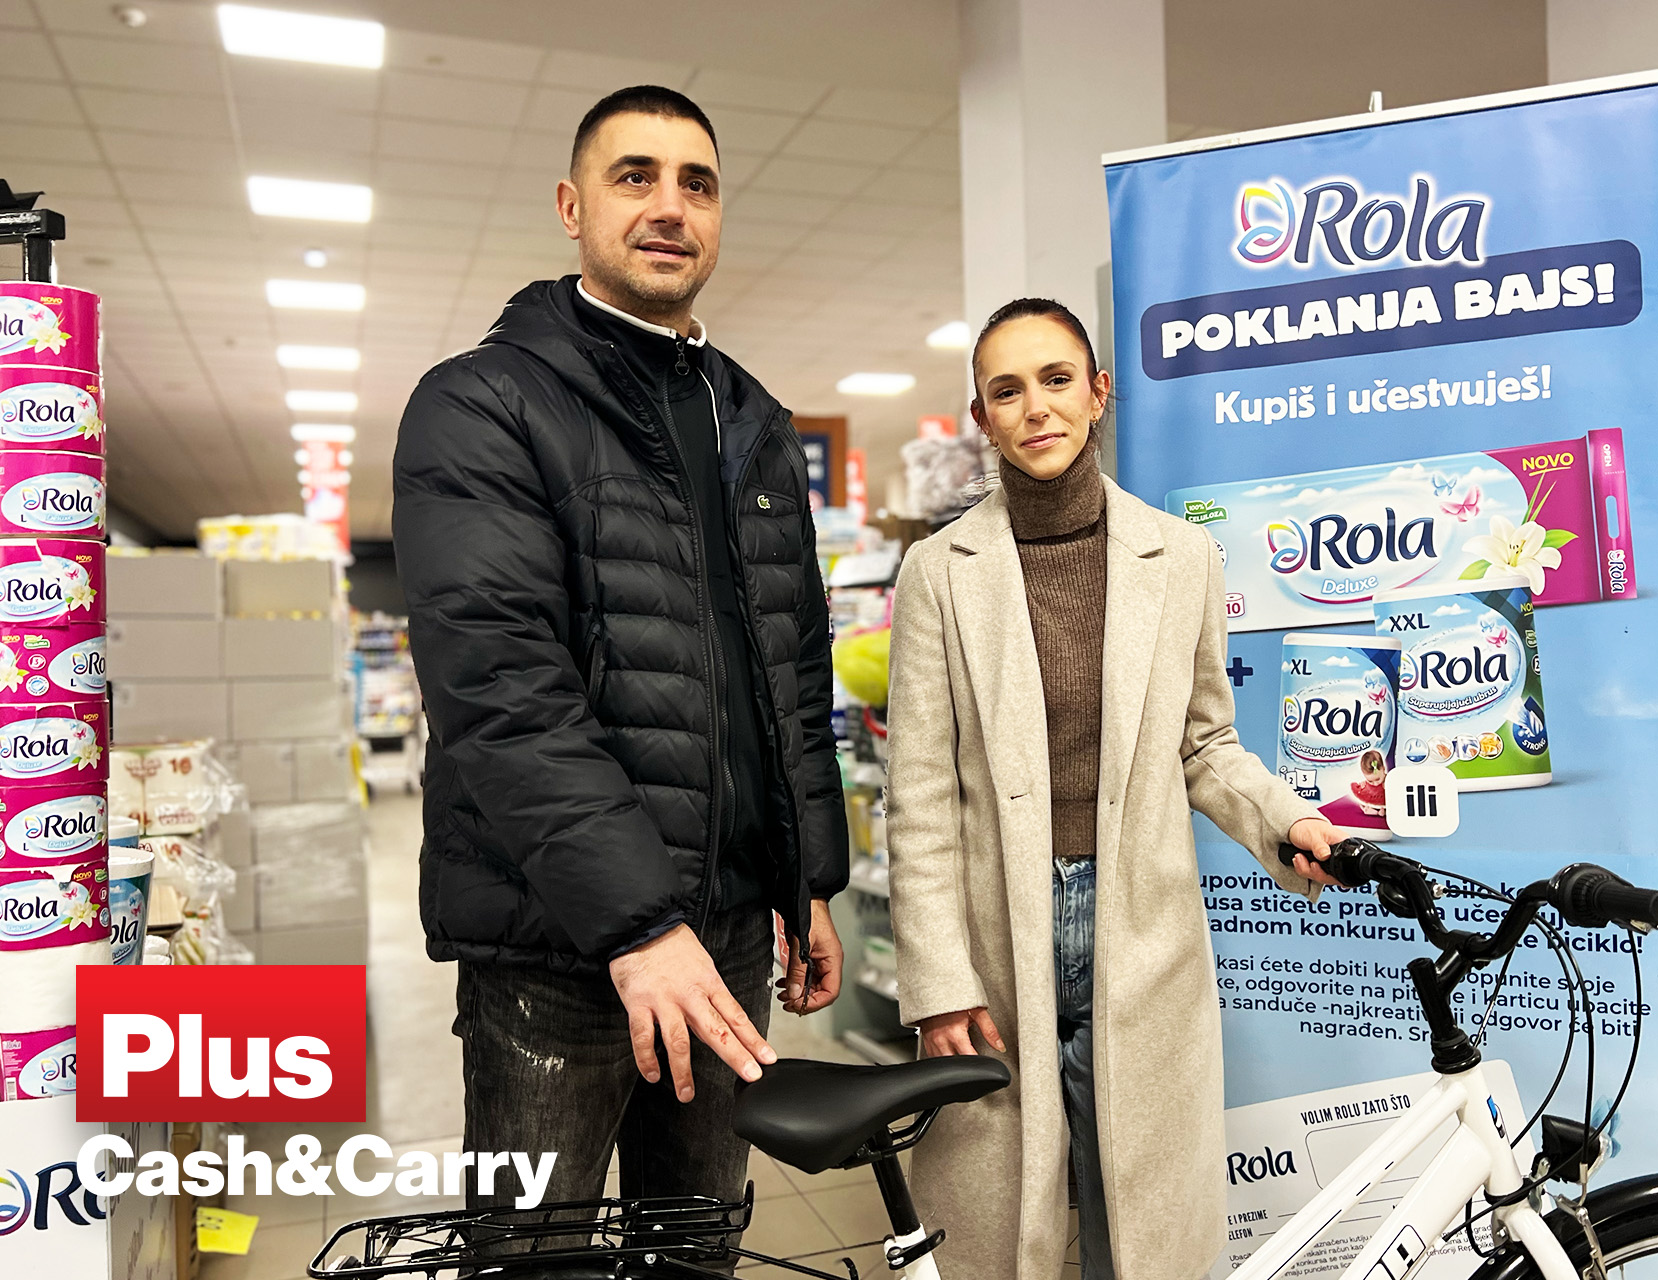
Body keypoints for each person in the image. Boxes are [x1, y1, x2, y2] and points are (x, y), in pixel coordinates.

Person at [392, 85, 848, 1217]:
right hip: (558, 945)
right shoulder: (484, 403)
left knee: (697, 1238)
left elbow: (791, 671)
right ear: (571, 205)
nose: (669, 206)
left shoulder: (755, 422)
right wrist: (637, 925)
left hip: (730, 928)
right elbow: (502, 690)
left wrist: (806, 877)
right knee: (534, 1251)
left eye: (697, 183)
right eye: (634, 176)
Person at [886, 298, 1344, 1280]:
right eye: (1007, 390)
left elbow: (1205, 743)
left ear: (1098, 393)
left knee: (1141, 1222)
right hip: (996, 930)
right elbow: (918, 793)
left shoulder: (1181, 557)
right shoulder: (938, 572)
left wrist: (1289, 822)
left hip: (1140, 922)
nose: (1036, 408)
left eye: (1057, 380)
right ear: (983, 418)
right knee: (1003, 1222)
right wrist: (936, 981)